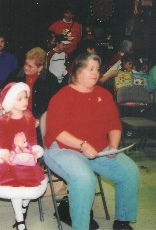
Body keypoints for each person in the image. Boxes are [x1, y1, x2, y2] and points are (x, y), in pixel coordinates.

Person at [44, 53, 139, 230]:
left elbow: (114, 124)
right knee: (84, 179)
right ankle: (81, 226)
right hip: (64, 148)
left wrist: (113, 146)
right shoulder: (62, 96)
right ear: (77, 72)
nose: (95, 73)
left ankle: (122, 221)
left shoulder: (104, 94)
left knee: (129, 171)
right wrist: (82, 145)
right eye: (90, 69)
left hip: (98, 148)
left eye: (97, 69)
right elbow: (56, 131)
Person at [0, 82, 47, 230]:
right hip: (9, 158)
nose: (24, 102)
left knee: (31, 185)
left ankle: (23, 207)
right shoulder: (3, 121)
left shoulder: (28, 117)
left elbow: (33, 138)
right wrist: (4, 154)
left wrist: (34, 150)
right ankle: (20, 220)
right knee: (15, 183)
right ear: (10, 101)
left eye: (25, 98)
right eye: (19, 99)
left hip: (26, 155)